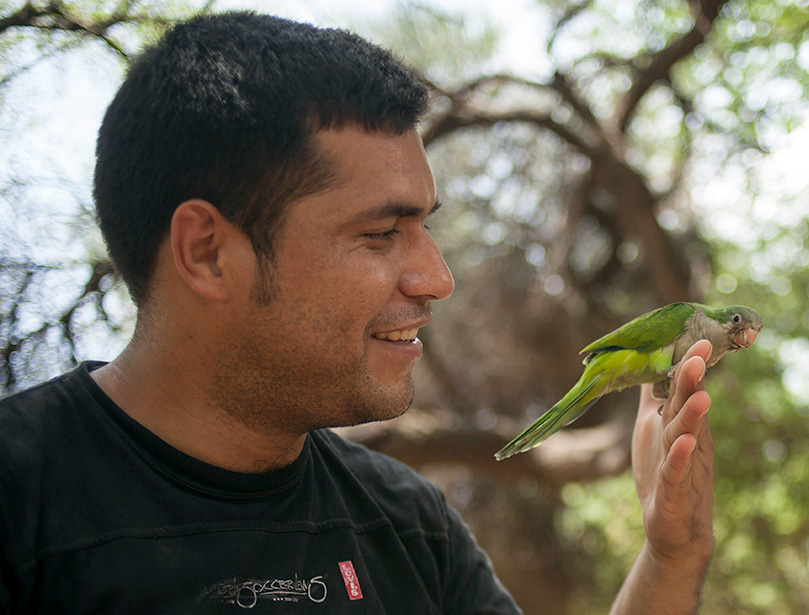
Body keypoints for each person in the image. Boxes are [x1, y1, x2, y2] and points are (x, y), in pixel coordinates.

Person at [0, 11, 714, 614]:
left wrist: (670, 556)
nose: (437, 278)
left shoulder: (406, 523)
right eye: (380, 234)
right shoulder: (23, 492)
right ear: (208, 252)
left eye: (426, 227)